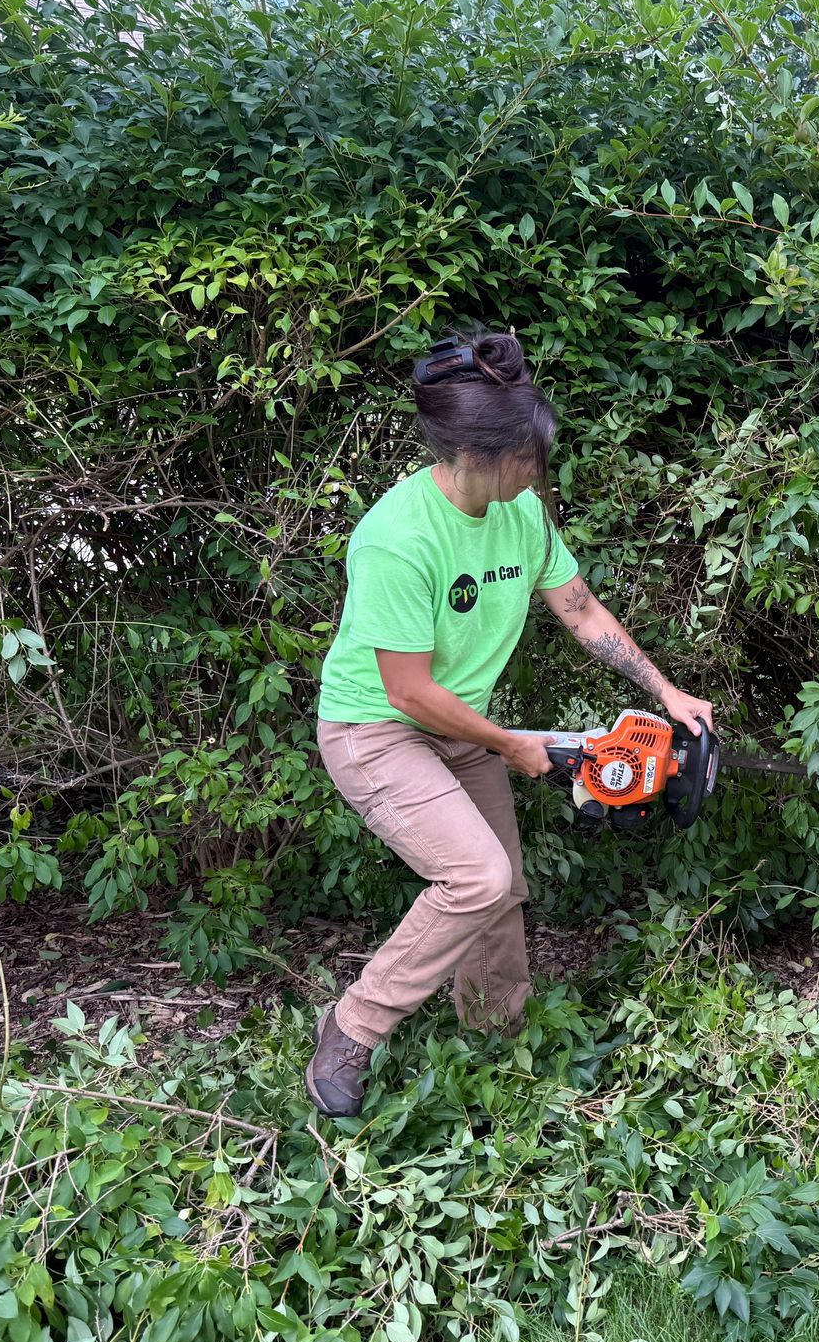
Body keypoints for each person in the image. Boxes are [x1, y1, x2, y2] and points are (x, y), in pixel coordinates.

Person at [304, 328, 713, 1119]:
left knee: (502, 887)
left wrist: (665, 691)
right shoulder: (398, 537)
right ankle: (352, 1026)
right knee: (475, 877)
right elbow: (409, 692)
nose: (538, 472)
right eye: (527, 457)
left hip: (461, 728)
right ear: (474, 453)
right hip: (377, 729)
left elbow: (581, 607)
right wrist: (514, 747)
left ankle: (495, 1043)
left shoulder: (519, 514)